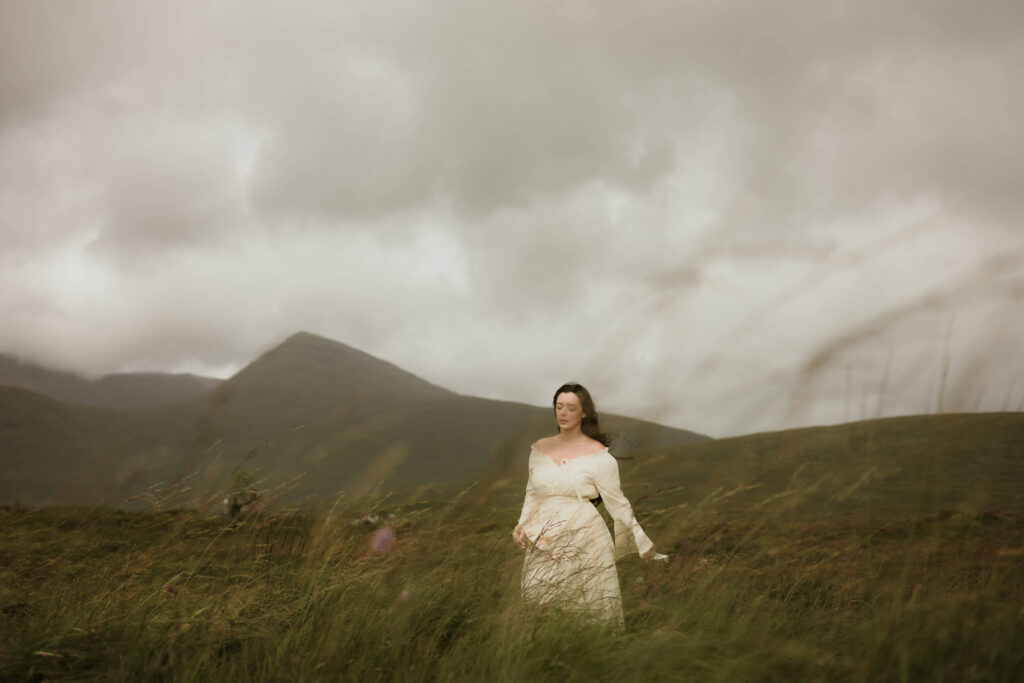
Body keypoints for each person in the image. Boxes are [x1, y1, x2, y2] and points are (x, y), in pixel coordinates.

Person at [512, 382, 665, 627]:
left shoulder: (599, 456)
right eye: (559, 406)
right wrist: (522, 523)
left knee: (584, 607)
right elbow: (532, 492)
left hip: (584, 536)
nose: (563, 413)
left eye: (570, 407)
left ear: (584, 412)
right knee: (538, 603)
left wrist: (641, 540)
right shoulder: (539, 449)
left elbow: (618, 503)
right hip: (541, 536)